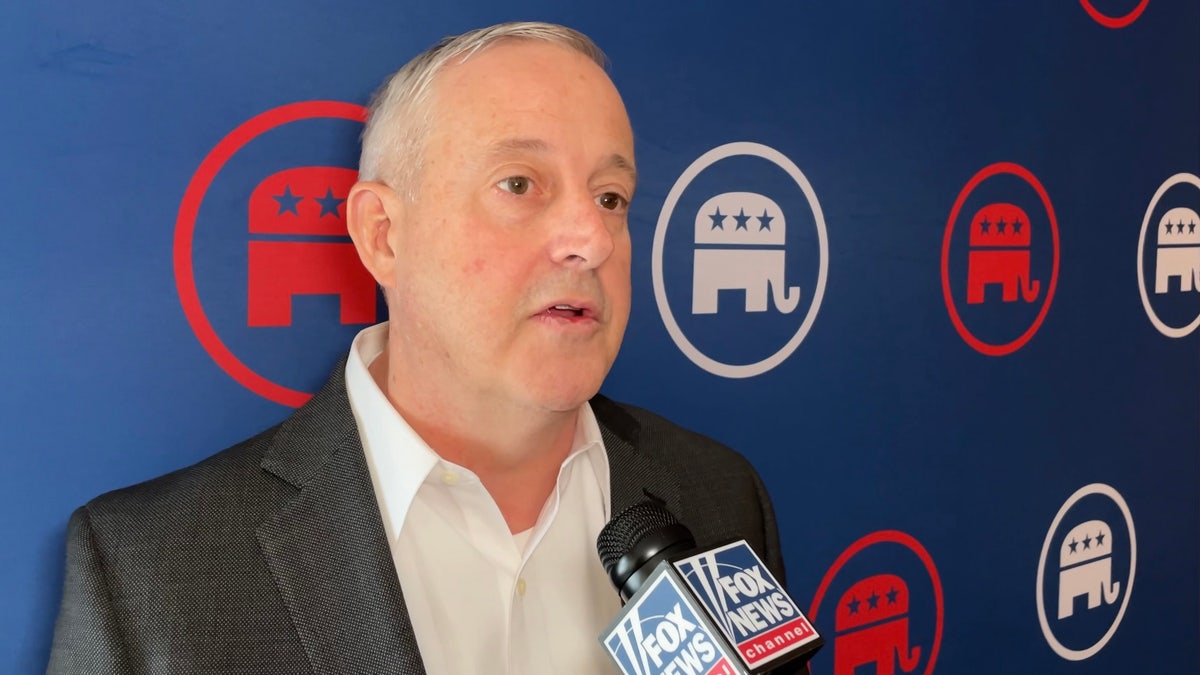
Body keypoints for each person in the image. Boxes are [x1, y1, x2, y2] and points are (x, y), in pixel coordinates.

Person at [47, 21, 791, 675]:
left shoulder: (721, 495)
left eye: (610, 197)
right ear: (383, 234)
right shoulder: (149, 573)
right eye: (520, 183)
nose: (592, 240)